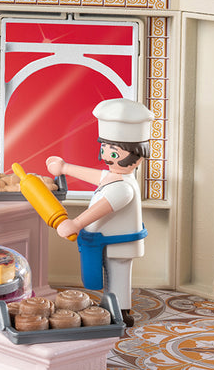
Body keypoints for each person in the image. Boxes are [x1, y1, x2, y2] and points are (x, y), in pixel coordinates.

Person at [46, 98, 154, 327]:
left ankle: (120, 311)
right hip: (105, 240)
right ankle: (110, 306)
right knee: (109, 277)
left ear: (137, 156)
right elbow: (97, 176)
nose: (105, 155)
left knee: (118, 277)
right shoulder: (115, 177)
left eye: (113, 152)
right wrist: (65, 167)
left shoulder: (123, 188)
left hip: (119, 242)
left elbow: (101, 208)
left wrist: (76, 223)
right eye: (104, 148)